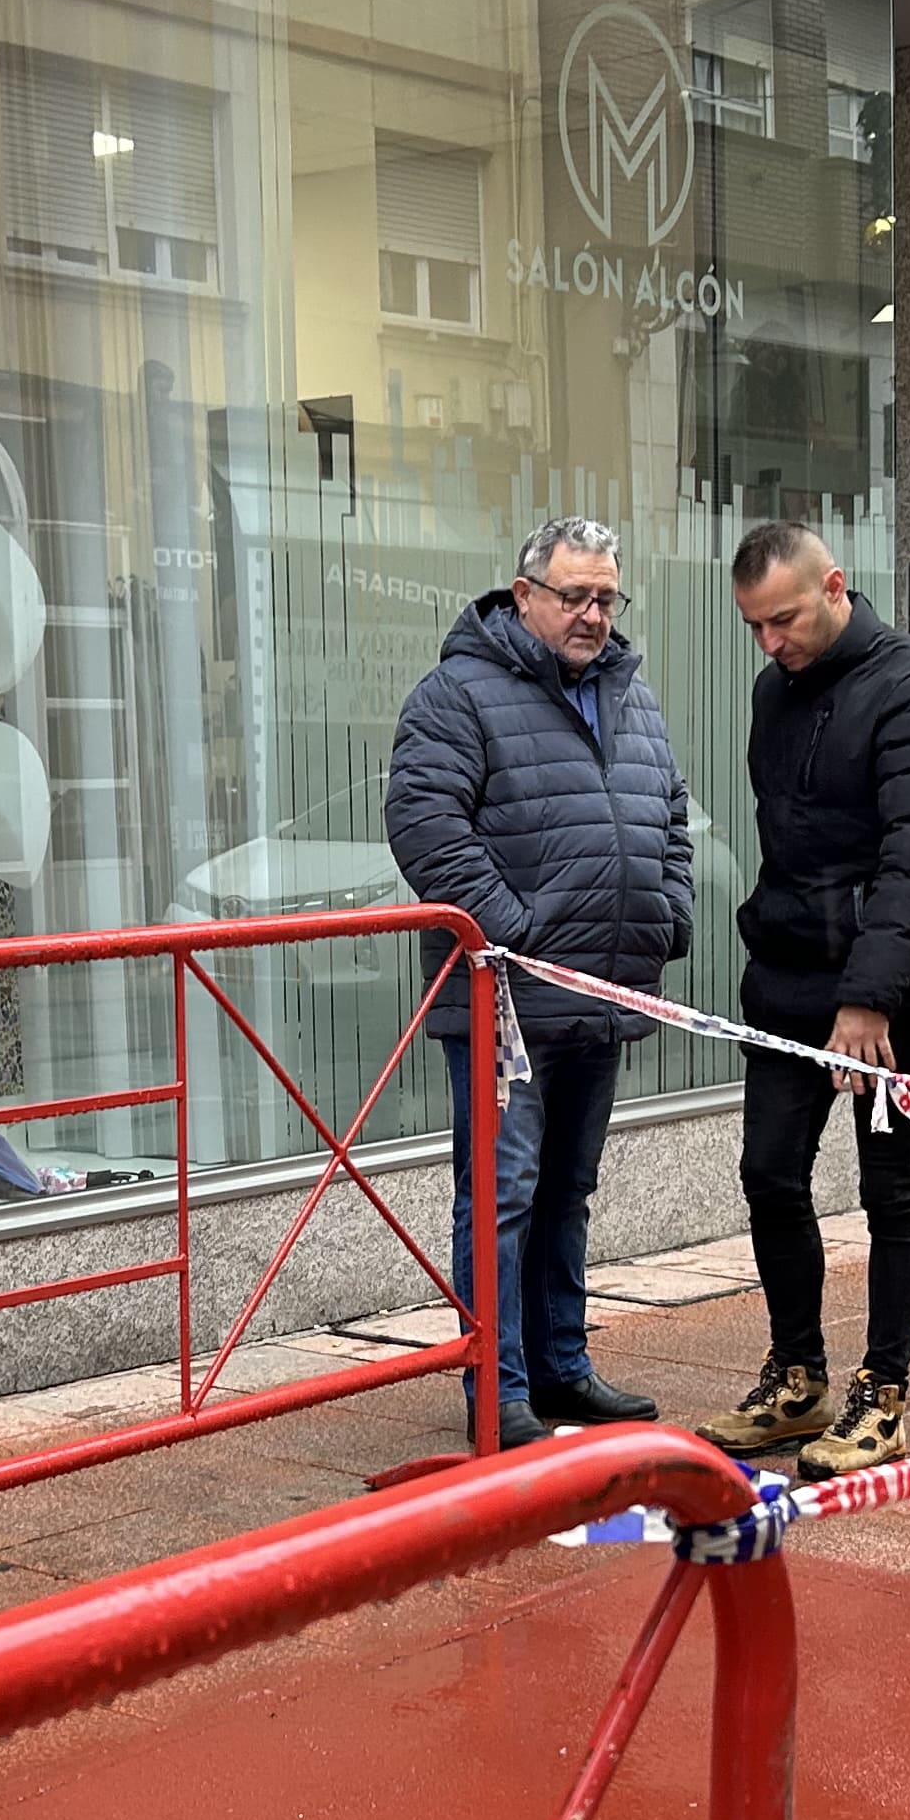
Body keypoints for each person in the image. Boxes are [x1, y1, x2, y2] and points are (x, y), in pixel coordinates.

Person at [385, 514, 694, 1447]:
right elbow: (426, 827)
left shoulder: (630, 696)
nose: (593, 615)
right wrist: (519, 937)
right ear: (524, 596)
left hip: (601, 994)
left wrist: (667, 916)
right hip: (505, 1004)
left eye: (607, 598)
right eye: (574, 596)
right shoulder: (457, 694)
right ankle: (500, 1387)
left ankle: (561, 1365)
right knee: (502, 1194)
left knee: (567, 1189)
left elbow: (671, 816)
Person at [695, 521, 910, 1480]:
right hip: (787, 979)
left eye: (783, 619)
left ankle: (883, 1396)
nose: (769, 642)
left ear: (835, 587)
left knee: (890, 1191)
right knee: (770, 1173)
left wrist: (869, 999)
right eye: (753, 626)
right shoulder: (774, 692)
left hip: (891, 1001)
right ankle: (797, 1376)